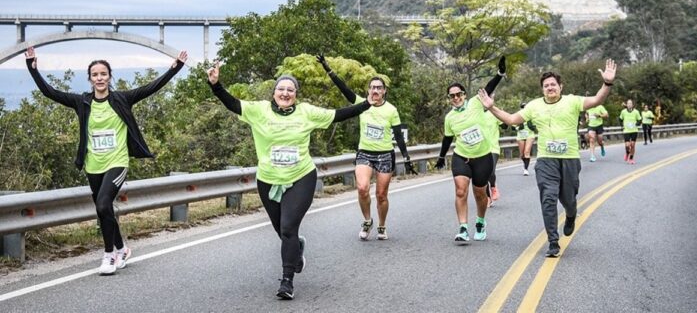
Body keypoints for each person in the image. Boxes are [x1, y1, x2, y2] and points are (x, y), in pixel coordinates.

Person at [207, 63, 371, 300]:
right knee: (282, 230)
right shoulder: (259, 110)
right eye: (281, 89)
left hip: (301, 176)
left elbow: (338, 115)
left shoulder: (307, 112)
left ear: (296, 94)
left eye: (290, 90)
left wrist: (366, 104)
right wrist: (215, 85)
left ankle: (287, 281)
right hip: (268, 179)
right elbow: (232, 103)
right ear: (274, 92)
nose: (285, 93)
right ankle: (297, 248)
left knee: (288, 227)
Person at [25, 46, 187, 275]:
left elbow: (152, 87)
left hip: (117, 161)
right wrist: (33, 69)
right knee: (104, 210)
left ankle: (109, 255)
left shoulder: (122, 99)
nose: (99, 78)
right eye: (95, 75)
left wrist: (175, 67)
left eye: (103, 74)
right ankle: (122, 248)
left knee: (102, 204)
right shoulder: (82, 102)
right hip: (93, 164)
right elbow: (50, 93)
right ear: (90, 79)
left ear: (110, 77)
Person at [478, 59, 617, 257]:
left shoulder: (572, 101)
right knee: (548, 199)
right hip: (546, 160)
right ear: (542, 89)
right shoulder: (534, 106)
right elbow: (511, 119)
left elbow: (596, 100)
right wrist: (492, 107)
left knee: (569, 199)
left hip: (569, 159)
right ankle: (553, 241)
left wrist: (607, 83)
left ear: (561, 87)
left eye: (553, 84)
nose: (550, 87)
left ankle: (570, 214)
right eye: (546, 86)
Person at [316, 55, 413, 241]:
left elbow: (399, 135)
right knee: (362, 188)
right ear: (368, 90)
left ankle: (382, 226)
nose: (375, 90)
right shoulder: (362, 103)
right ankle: (367, 221)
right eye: (372, 87)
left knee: (381, 194)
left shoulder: (391, 110)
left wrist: (406, 157)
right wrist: (328, 69)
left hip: (385, 154)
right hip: (365, 153)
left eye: (379, 87)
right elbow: (343, 88)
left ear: (384, 91)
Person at [435, 57, 506, 244]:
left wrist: (499, 74)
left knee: (480, 194)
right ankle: (463, 228)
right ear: (449, 99)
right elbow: (448, 138)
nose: (456, 98)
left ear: (464, 95)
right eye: (452, 96)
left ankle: (480, 222)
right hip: (461, 157)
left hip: (483, 157)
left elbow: (488, 88)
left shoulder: (476, 103)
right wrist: (442, 157)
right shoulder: (449, 118)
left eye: (459, 94)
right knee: (460, 191)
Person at [483, 111, 505, 206]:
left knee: (491, 171)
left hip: (493, 148)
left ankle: (493, 186)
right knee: (482, 176)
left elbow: (504, 126)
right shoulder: (474, 114)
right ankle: (488, 198)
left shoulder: (493, 113)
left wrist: (503, 118)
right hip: (479, 150)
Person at [514, 102, 536, 176]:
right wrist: (518, 127)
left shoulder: (532, 116)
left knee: (527, 152)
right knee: (522, 154)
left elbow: (536, 124)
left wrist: (533, 127)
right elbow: (513, 126)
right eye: (523, 107)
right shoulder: (518, 116)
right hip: (520, 136)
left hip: (530, 135)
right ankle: (525, 164)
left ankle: (526, 169)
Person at [619, 99, 642, 164]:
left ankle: (631, 159)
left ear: (632, 105)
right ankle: (627, 153)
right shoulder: (623, 112)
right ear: (626, 105)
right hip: (626, 131)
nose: (629, 105)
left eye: (630, 103)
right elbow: (620, 119)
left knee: (632, 145)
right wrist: (622, 126)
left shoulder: (636, 112)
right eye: (628, 103)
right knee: (627, 145)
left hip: (634, 130)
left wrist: (637, 124)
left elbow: (640, 120)